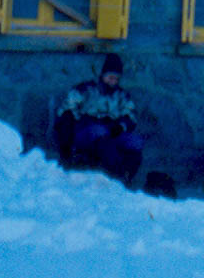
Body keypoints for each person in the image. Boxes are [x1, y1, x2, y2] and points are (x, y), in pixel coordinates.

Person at [53, 53, 144, 184]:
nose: (113, 82)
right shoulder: (85, 90)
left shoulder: (121, 95)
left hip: (113, 129)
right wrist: (67, 137)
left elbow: (130, 115)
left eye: (116, 79)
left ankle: (127, 176)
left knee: (135, 142)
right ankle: (116, 173)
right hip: (87, 129)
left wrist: (121, 126)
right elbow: (66, 110)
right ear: (103, 75)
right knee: (100, 133)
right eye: (110, 78)